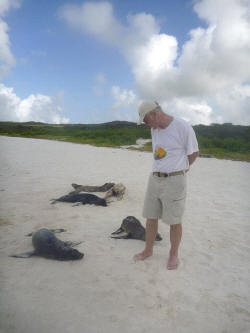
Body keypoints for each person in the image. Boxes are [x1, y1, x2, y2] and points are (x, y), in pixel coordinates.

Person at [134, 101, 199, 270]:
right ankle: (148, 250)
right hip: (155, 178)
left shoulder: (183, 127)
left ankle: (173, 255)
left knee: (174, 220)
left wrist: (182, 169)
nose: (146, 125)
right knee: (150, 217)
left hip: (175, 180)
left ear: (155, 114)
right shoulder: (153, 128)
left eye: (146, 120)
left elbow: (194, 153)